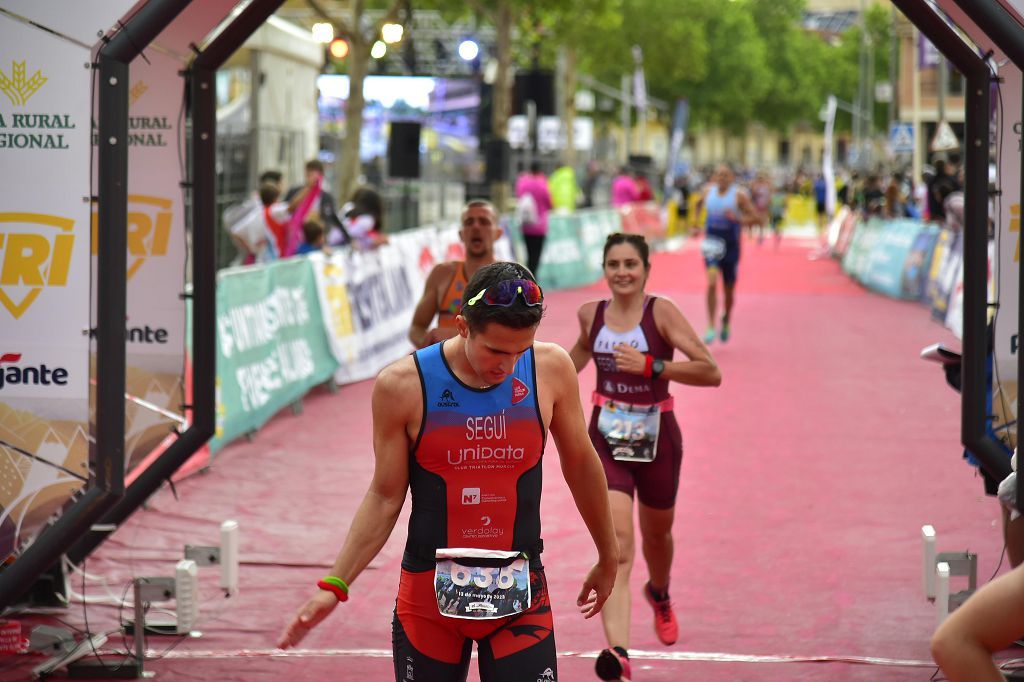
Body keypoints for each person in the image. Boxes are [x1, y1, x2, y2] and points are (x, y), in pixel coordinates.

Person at [278, 262, 619, 682]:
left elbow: (582, 464)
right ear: (461, 326)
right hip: (427, 603)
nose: (508, 366)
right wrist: (336, 584)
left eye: (519, 351)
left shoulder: (551, 367)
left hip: (520, 592)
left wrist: (608, 554)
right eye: (495, 351)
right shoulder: (403, 385)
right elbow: (385, 497)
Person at [569, 233, 721, 682]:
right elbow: (565, 366)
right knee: (616, 543)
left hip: (658, 443)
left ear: (646, 270)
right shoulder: (590, 317)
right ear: (604, 268)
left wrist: (654, 366)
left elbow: (710, 371)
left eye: (631, 263)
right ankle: (618, 653)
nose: (622, 272)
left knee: (658, 537)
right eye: (613, 263)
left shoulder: (662, 313)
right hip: (606, 440)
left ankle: (660, 592)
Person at [408, 200, 504, 349]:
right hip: (448, 366)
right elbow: (417, 328)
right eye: (469, 222)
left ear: (498, 233)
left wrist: (454, 336)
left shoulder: (510, 278)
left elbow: (516, 334)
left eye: (484, 222)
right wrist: (431, 348)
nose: (476, 227)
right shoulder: (442, 274)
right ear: (461, 234)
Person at [695, 164, 756, 344]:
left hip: (731, 246)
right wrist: (695, 222)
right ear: (714, 177)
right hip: (711, 243)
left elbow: (755, 217)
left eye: (726, 175)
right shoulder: (707, 192)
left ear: (731, 178)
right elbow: (698, 204)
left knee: (729, 289)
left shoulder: (739, 196)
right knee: (712, 282)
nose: (722, 178)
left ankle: (726, 318)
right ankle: (710, 325)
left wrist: (737, 218)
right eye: (719, 175)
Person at [285, 159, 350, 246]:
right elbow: (285, 211)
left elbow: (334, 218)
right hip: (296, 238)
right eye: (308, 175)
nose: (311, 179)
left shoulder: (326, 197)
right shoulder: (295, 192)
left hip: (317, 240)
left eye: (314, 176)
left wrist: (349, 239)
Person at [515, 162, 552, 277]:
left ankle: (527, 276)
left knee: (528, 252)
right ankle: (532, 277)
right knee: (536, 255)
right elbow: (549, 202)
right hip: (540, 226)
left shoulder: (522, 181)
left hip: (526, 225)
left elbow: (519, 196)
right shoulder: (543, 183)